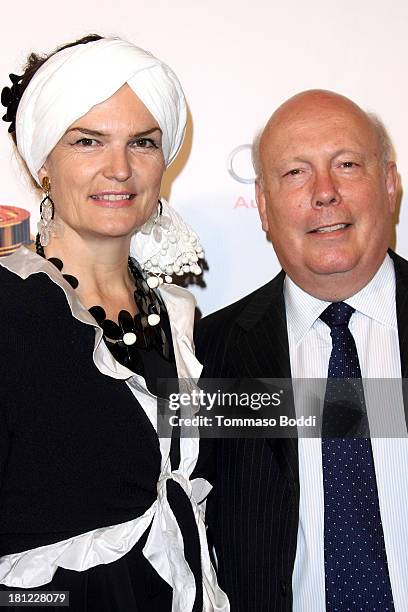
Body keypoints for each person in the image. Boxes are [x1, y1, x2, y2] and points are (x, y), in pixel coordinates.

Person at [0, 35, 229, 612]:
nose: (120, 169)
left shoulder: (177, 315)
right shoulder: (9, 310)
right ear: (42, 163)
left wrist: (376, 404)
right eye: (88, 141)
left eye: (143, 143)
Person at [195, 90, 408, 610]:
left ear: (390, 185)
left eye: (348, 165)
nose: (325, 192)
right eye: (295, 173)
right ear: (263, 208)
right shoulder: (206, 355)